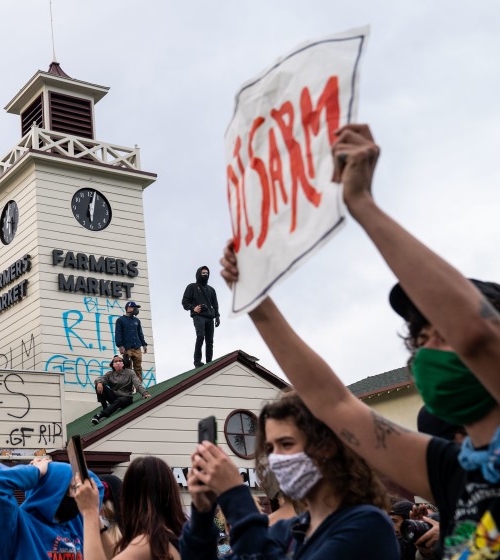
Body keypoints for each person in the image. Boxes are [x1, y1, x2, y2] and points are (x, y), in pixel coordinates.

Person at [219, 123, 500, 558]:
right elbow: (332, 403)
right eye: (421, 338)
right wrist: (257, 302)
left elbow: (478, 335)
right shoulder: (453, 472)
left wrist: (362, 204)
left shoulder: (481, 339)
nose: (428, 350)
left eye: (443, 333)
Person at [180, 392, 398, 559]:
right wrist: (202, 512)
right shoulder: (290, 531)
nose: (276, 459)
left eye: (286, 444)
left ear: (327, 447)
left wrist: (235, 494)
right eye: (270, 448)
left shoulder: (368, 525)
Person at [0, 455, 103, 560]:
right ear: (53, 491)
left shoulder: (73, 523)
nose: (78, 495)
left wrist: (77, 473)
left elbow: (98, 487)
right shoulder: (17, 528)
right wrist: (35, 472)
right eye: (73, 488)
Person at [74, 455, 186, 560]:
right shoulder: (169, 537)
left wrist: (89, 511)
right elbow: (118, 555)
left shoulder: (149, 542)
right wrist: (98, 524)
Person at [91, 356, 151, 425]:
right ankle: (105, 407)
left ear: (123, 363)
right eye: (116, 361)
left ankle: (101, 415)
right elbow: (99, 379)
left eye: (120, 361)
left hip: (126, 398)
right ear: (112, 364)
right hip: (114, 397)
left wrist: (145, 393)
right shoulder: (110, 374)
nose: (118, 362)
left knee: (120, 400)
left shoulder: (130, 372)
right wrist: (99, 382)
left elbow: (137, 384)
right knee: (98, 385)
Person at [181, 266, 220, 367]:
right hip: (198, 316)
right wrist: (193, 308)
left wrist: (217, 316)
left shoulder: (211, 290)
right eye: (203, 273)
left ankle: (209, 362)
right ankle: (197, 361)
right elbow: (184, 302)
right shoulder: (192, 287)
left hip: (210, 317)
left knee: (210, 341)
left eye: (207, 273)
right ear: (199, 274)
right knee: (200, 336)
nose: (205, 275)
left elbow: (215, 304)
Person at [115, 301, 148, 382]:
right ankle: (128, 387)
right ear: (129, 308)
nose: (136, 310)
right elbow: (118, 333)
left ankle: (139, 387)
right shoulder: (120, 320)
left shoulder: (137, 320)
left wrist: (144, 344)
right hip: (127, 348)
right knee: (127, 368)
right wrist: (120, 346)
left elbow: (140, 334)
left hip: (137, 347)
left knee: (138, 368)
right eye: (134, 308)